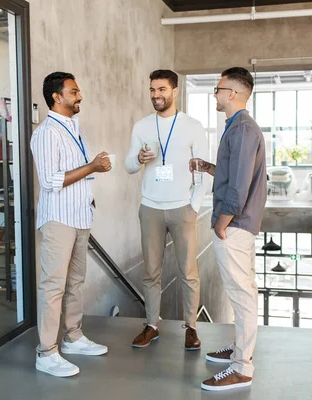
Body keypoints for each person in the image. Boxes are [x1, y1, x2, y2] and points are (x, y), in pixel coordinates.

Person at [190, 67, 267, 391]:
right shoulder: (237, 127)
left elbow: (239, 184)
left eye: (219, 88)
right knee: (241, 292)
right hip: (236, 223)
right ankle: (239, 352)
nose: (215, 94)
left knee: (241, 294)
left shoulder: (243, 129)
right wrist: (208, 167)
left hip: (234, 224)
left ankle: (241, 368)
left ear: (232, 93)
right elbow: (233, 172)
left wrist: (222, 222)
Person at [30, 71, 112, 378]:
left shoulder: (76, 129)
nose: (80, 96)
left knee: (76, 282)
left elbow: (77, 174)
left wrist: (90, 191)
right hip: (59, 220)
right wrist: (92, 166)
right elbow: (51, 181)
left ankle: (73, 336)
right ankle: (46, 352)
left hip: (80, 216)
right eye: (74, 91)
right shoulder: (46, 133)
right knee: (53, 286)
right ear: (57, 96)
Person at [125, 69, 210, 350]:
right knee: (151, 272)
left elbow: (204, 169)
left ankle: (191, 327)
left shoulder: (192, 126)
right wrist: (138, 158)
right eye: (152, 90)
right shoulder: (142, 126)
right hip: (150, 207)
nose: (156, 95)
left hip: (182, 208)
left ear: (175, 91)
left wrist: (194, 206)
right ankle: (152, 325)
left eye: (161, 89)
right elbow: (128, 166)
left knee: (188, 272)